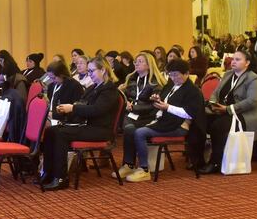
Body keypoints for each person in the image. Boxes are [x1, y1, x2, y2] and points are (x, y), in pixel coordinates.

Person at [40, 57, 121, 191]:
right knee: (51, 131)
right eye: (88, 71)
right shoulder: (93, 88)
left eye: (91, 71)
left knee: (61, 134)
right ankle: (48, 172)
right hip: (87, 126)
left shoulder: (110, 90)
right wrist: (68, 108)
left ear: (103, 70)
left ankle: (61, 177)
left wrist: (73, 108)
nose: (89, 74)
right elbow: (81, 103)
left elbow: (96, 110)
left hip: (100, 130)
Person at [124, 60, 206, 181]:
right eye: (171, 75)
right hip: (164, 120)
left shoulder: (193, 91)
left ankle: (144, 169)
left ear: (187, 73)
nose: (173, 78)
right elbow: (164, 101)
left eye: (176, 74)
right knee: (129, 129)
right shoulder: (171, 85)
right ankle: (129, 164)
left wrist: (167, 107)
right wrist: (157, 99)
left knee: (140, 132)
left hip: (179, 126)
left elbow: (189, 113)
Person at [197, 49, 257, 174]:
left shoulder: (254, 78)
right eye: (233, 59)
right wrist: (213, 104)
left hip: (247, 115)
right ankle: (197, 160)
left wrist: (228, 109)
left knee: (218, 126)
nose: (233, 62)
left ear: (247, 62)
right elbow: (215, 93)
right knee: (199, 120)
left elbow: (253, 101)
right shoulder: (228, 75)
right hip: (223, 111)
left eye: (238, 59)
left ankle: (215, 162)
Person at [115, 52, 165, 179]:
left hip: (148, 117)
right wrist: (125, 100)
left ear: (149, 65)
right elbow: (124, 96)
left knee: (130, 128)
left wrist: (134, 107)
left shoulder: (155, 84)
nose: (137, 63)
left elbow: (154, 106)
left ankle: (134, 166)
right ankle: (129, 165)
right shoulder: (131, 80)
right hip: (132, 115)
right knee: (128, 126)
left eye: (141, 61)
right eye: (136, 61)